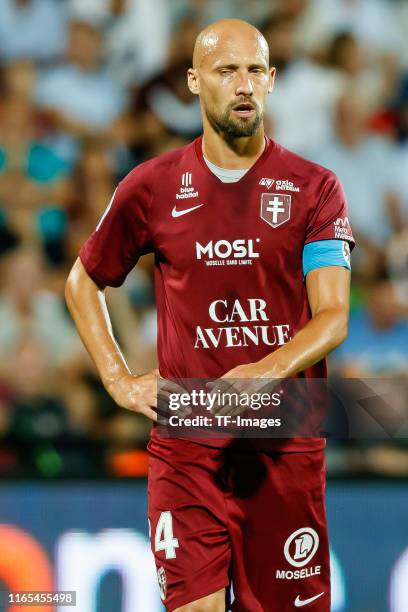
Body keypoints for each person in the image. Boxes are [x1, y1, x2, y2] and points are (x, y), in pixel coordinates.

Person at [65, 19, 354, 612]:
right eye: (227, 71)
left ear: (272, 81)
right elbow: (83, 281)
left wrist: (264, 371)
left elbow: (333, 318)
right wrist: (118, 378)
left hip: (284, 437)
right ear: (196, 82)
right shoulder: (152, 186)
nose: (243, 85)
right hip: (187, 438)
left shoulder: (315, 188)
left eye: (254, 71)